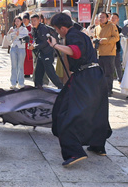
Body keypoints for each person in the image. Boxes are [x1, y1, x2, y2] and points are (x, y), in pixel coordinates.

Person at [47, 12, 112, 167]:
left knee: (65, 111)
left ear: (62, 28)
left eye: (57, 29)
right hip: (96, 76)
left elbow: (75, 52)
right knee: (97, 112)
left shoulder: (72, 35)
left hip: (85, 78)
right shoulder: (80, 33)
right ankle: (98, 146)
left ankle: (74, 152)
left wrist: (55, 45)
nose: (57, 33)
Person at [31, 14, 64, 89]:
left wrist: (35, 46)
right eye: (32, 21)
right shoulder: (35, 29)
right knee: (38, 71)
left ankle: (61, 87)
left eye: (35, 21)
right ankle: (37, 87)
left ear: (39, 20)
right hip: (41, 53)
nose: (33, 22)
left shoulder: (43, 28)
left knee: (50, 72)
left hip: (47, 52)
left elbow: (45, 42)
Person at [93, 12, 120, 97]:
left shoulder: (112, 26)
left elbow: (116, 38)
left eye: (103, 17)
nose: (101, 19)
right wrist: (95, 41)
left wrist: (104, 40)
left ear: (107, 18)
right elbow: (94, 37)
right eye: (100, 17)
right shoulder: (97, 28)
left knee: (108, 73)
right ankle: (102, 89)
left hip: (109, 53)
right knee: (101, 73)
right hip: (99, 53)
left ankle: (109, 90)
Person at [6, 16, 29, 88]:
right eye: (15, 21)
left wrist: (18, 36)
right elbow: (8, 40)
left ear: (21, 21)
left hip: (21, 48)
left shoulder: (24, 29)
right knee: (14, 66)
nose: (17, 22)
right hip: (13, 48)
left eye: (18, 21)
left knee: (20, 66)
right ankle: (13, 83)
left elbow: (25, 39)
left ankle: (21, 82)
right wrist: (9, 33)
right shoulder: (12, 29)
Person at [110, 12, 124, 83]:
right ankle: (109, 81)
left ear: (118, 19)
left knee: (118, 65)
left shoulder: (119, 29)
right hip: (108, 50)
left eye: (115, 18)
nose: (113, 19)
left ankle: (120, 79)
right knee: (109, 66)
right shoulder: (107, 27)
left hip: (116, 49)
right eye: (112, 18)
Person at [22, 13, 35, 78]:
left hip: (29, 45)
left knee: (29, 59)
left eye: (25, 19)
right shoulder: (22, 27)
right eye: (23, 19)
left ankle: (29, 72)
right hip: (23, 45)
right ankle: (24, 72)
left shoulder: (31, 28)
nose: (24, 21)